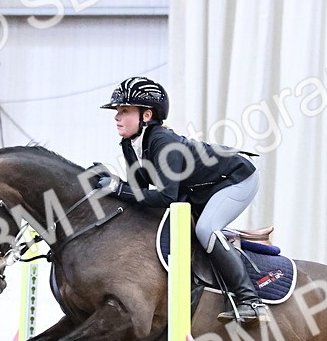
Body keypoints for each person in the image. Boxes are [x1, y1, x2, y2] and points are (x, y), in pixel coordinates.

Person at [100, 76, 271, 326]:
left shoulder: (162, 141)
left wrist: (117, 188)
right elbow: (138, 193)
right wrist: (112, 188)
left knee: (205, 229)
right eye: (117, 111)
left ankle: (251, 302)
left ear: (146, 115)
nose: (117, 117)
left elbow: (165, 197)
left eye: (124, 110)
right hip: (202, 188)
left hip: (236, 178)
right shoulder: (130, 144)